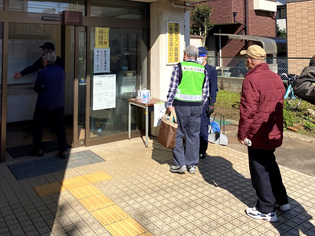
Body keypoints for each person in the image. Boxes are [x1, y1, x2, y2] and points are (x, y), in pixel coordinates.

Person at [238, 45, 290, 222]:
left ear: (250, 60)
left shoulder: (251, 79)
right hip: (273, 131)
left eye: (247, 58)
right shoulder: (275, 77)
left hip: (257, 133)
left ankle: (266, 209)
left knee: (259, 169)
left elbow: (247, 111)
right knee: (270, 165)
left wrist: (243, 134)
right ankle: (282, 201)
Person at [166, 45, 209, 174]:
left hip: (181, 106)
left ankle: (180, 164)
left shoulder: (179, 67)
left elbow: (173, 88)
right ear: (196, 57)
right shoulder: (203, 69)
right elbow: (205, 92)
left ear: (185, 55)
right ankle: (192, 165)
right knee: (194, 135)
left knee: (177, 133)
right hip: (197, 107)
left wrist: (169, 104)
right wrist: (200, 104)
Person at [29, 51, 68, 159]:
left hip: (44, 103)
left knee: (38, 126)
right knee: (60, 127)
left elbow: (37, 88)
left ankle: (38, 149)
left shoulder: (43, 72)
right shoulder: (61, 71)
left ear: (45, 61)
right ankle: (63, 150)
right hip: (58, 103)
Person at [197, 47, 218, 159]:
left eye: (200, 55)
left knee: (203, 126)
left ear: (205, 56)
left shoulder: (211, 70)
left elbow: (214, 87)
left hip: (206, 101)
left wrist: (212, 103)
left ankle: (202, 150)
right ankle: (194, 148)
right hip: (195, 101)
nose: (198, 58)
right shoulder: (195, 68)